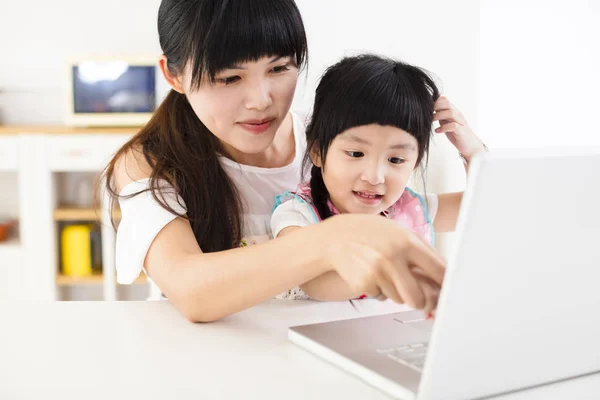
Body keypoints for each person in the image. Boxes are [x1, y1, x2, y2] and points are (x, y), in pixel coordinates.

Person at [102, 0, 446, 323]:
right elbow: (191, 291)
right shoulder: (149, 161)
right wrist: (330, 240)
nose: (260, 100)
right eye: (229, 78)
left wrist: (474, 160)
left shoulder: (332, 144)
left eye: (279, 68)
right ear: (173, 75)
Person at [271, 55, 486, 315]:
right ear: (317, 151)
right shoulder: (297, 213)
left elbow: (484, 208)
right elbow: (316, 281)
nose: (374, 177)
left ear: (414, 163)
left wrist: (474, 152)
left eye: (396, 159)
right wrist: (396, 276)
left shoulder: (407, 209)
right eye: (355, 154)